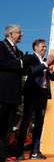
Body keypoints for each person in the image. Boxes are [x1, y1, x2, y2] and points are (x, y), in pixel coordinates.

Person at [16, 39, 54, 160]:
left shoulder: (44, 61)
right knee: (26, 123)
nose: (45, 49)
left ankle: (35, 151)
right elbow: (31, 71)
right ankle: (19, 152)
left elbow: (52, 78)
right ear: (36, 48)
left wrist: (50, 70)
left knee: (39, 124)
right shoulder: (30, 58)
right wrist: (45, 64)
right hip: (31, 94)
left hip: (42, 95)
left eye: (45, 47)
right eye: (42, 47)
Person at [0, 25, 24, 162]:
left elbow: (22, 69)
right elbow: (2, 63)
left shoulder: (19, 52)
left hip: (14, 95)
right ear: (10, 34)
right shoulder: (1, 46)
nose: (22, 35)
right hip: (2, 92)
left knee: (8, 127)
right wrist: (20, 63)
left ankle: (4, 154)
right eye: (19, 32)